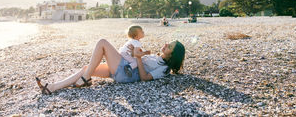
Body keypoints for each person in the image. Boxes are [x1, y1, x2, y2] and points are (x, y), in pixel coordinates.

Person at [36, 38, 186, 94]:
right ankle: (53, 87)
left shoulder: (165, 70)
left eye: (169, 46)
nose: (166, 44)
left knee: (102, 43)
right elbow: (136, 60)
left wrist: (138, 58)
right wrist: (133, 54)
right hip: (124, 68)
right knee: (86, 68)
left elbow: (145, 78)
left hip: (126, 75)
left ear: (173, 55)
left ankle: (86, 78)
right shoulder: (157, 58)